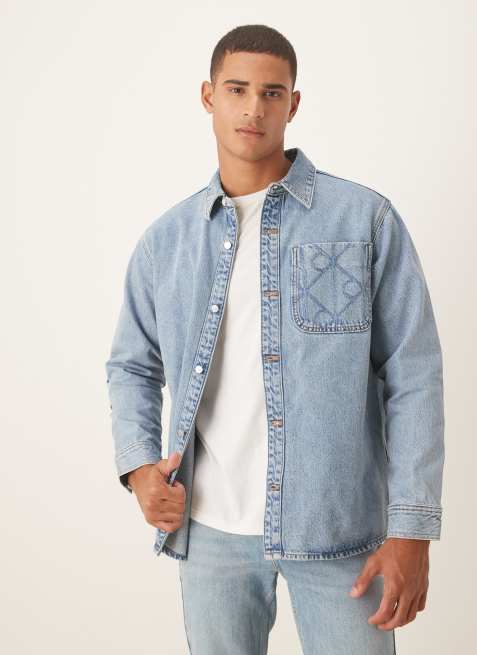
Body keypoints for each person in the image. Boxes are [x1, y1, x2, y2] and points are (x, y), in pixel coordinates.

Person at [105, 23, 445, 655]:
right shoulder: (166, 241)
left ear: (294, 103)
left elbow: (414, 374)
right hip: (209, 529)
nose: (253, 109)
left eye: (271, 92)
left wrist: (412, 530)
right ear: (208, 96)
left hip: (340, 528)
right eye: (237, 89)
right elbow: (131, 364)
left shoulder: (364, 220)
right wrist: (139, 467)